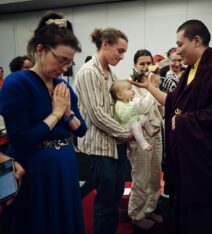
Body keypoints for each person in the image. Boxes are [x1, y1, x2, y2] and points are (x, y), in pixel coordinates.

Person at [130, 20, 212, 234]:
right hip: (188, 161)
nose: (177, 50)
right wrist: (149, 87)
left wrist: (186, 122)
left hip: (207, 167)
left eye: (179, 43)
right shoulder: (191, 71)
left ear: (196, 40)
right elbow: (173, 103)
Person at [0, 11, 87, 234]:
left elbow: (82, 130)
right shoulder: (17, 83)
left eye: (69, 62)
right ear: (40, 50)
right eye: (60, 60)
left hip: (64, 165)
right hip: (35, 168)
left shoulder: (62, 86)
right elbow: (21, 140)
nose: (65, 68)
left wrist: (68, 115)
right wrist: (56, 114)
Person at [74, 27, 132, 234]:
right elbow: (97, 114)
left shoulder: (109, 72)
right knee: (105, 203)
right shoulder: (89, 72)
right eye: (120, 50)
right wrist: (127, 132)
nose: (122, 56)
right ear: (105, 45)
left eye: (124, 51)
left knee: (114, 197)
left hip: (115, 146)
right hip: (101, 148)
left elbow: (114, 106)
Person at [127, 49, 164, 230]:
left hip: (156, 133)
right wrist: (152, 90)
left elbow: (161, 109)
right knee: (141, 177)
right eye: (141, 63)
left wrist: (153, 88)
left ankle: (149, 209)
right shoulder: (129, 84)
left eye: (148, 63)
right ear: (134, 65)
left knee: (156, 175)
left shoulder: (153, 82)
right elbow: (139, 109)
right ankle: (136, 215)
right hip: (140, 136)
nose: (145, 67)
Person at [110, 80, 160, 151]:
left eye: (131, 88)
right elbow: (124, 118)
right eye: (129, 89)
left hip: (132, 121)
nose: (132, 90)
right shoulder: (119, 105)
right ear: (120, 95)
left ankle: (151, 131)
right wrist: (132, 107)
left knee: (143, 117)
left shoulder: (129, 102)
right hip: (125, 126)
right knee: (135, 125)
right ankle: (144, 145)